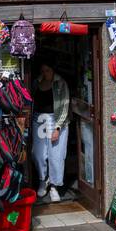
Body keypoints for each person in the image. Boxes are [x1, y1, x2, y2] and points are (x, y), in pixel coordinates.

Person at [31, 62, 71, 201]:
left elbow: (65, 106)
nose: (45, 73)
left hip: (56, 120)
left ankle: (54, 186)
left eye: (48, 70)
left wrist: (58, 128)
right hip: (39, 120)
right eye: (43, 70)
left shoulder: (60, 83)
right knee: (38, 154)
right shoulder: (36, 83)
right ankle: (43, 179)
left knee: (56, 156)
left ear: (53, 70)